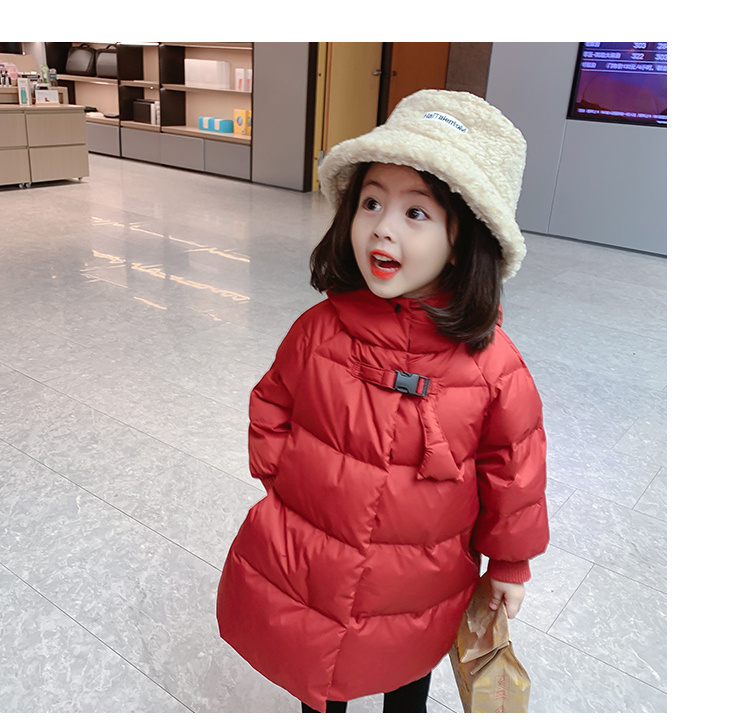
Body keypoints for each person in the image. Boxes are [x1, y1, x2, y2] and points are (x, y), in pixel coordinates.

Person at [216, 89, 549, 713]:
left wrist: (510, 564)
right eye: (371, 202)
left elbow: (515, 471)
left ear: (466, 239)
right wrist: (288, 478)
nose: (383, 227)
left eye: (416, 212)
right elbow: (272, 402)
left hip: (420, 579)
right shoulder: (320, 331)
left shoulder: (493, 368)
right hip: (316, 555)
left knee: (407, 672)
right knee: (319, 678)